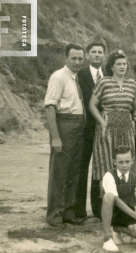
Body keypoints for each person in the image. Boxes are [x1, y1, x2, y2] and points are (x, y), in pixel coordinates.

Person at [44, 43, 86, 227]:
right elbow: (50, 107)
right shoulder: (58, 77)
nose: (77, 61)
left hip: (79, 126)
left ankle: (68, 211)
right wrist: (55, 137)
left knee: (74, 172)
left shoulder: (77, 78)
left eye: (80, 58)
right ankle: (54, 214)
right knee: (59, 172)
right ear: (65, 58)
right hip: (64, 125)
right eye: (74, 58)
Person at [89, 50, 136, 190]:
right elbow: (92, 105)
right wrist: (102, 121)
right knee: (105, 163)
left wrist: (134, 120)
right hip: (107, 125)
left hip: (125, 124)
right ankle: (105, 204)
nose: (122, 66)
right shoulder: (104, 82)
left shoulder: (131, 84)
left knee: (125, 163)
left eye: (124, 64)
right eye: (118, 64)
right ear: (111, 66)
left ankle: (125, 203)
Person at [101, 146, 136, 252]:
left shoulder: (135, 178)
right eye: (120, 162)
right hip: (111, 211)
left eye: (127, 161)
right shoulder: (109, 175)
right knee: (109, 196)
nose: (124, 165)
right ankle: (107, 238)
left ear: (132, 161)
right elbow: (115, 200)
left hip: (127, 212)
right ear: (114, 162)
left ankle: (117, 229)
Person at [75, 42, 107, 220]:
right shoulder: (80, 74)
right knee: (82, 168)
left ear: (103, 55)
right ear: (88, 55)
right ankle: (79, 211)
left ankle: (99, 208)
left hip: (104, 129)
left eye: (100, 52)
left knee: (101, 169)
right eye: (93, 52)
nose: (96, 55)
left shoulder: (108, 75)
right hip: (86, 128)